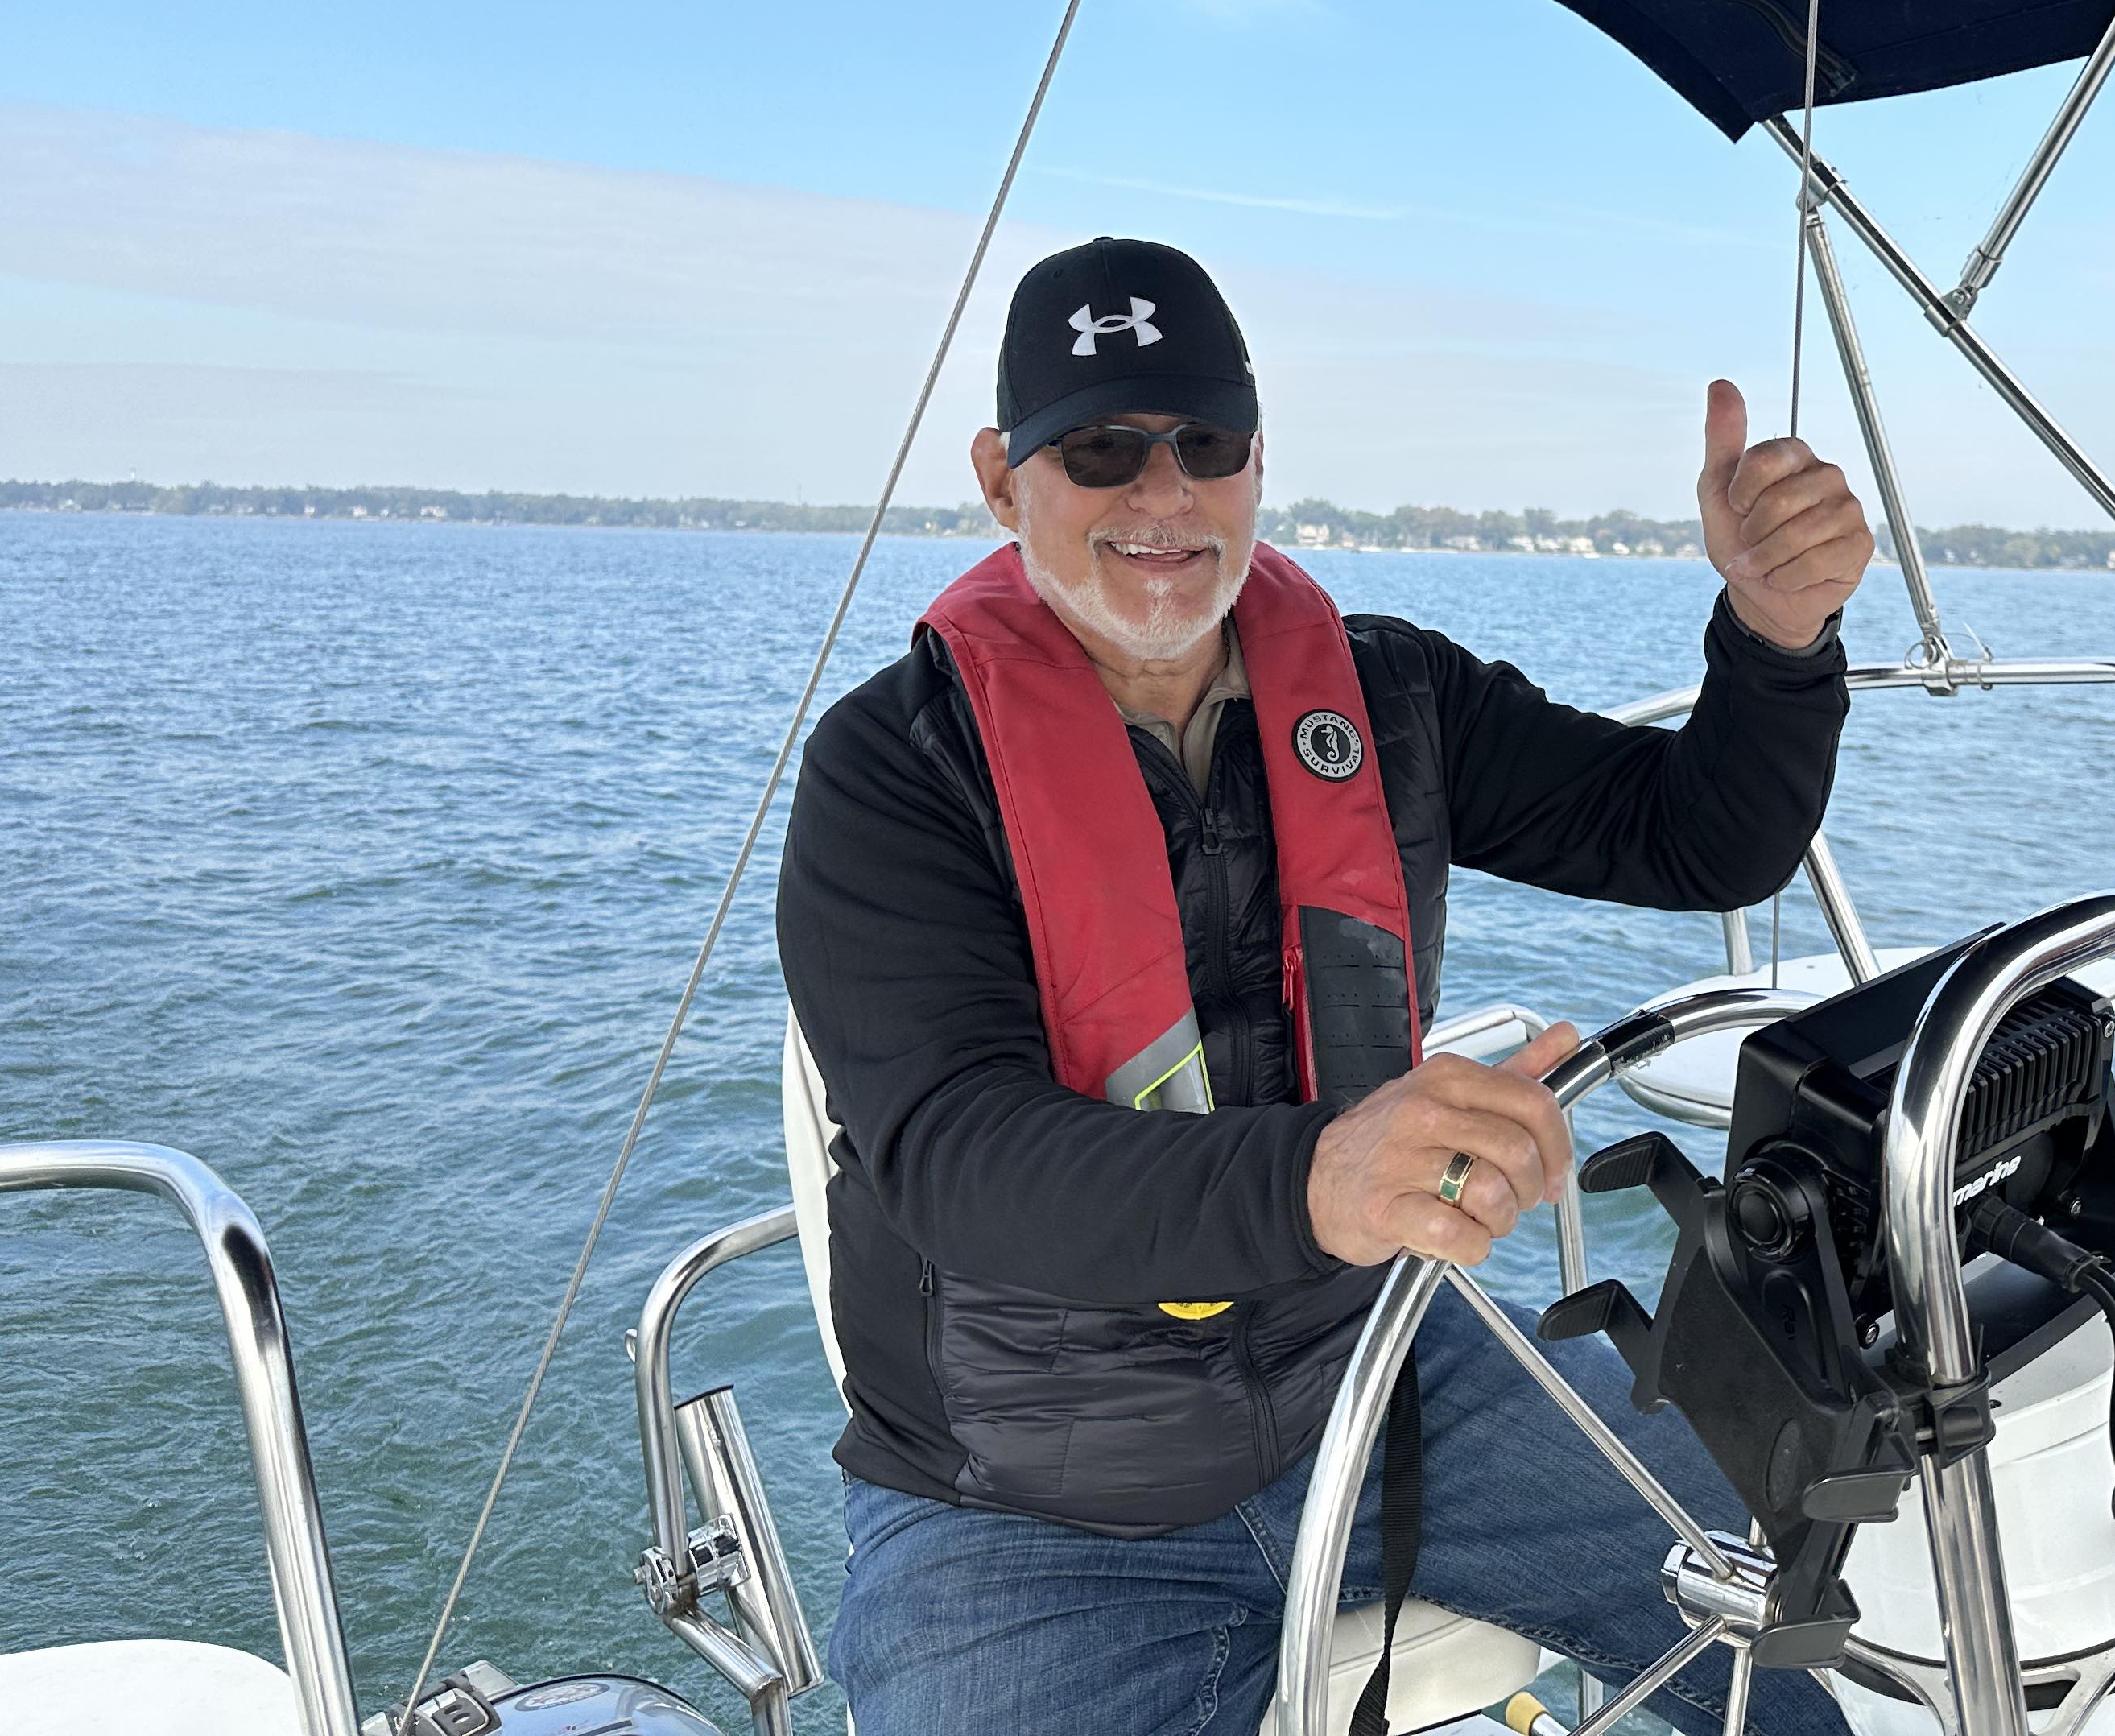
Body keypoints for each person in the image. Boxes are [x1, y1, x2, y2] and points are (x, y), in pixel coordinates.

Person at [779, 237, 1871, 1735]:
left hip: (1376, 1368)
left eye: (1204, 444)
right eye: (1100, 450)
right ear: (999, 477)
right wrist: (1324, 1178)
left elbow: (1700, 836)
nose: (1163, 493)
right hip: (1024, 1496)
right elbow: (958, 1158)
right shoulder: (895, 768)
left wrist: (1777, 638)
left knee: (1776, 1632)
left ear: (1257, 464)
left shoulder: (1392, 695)